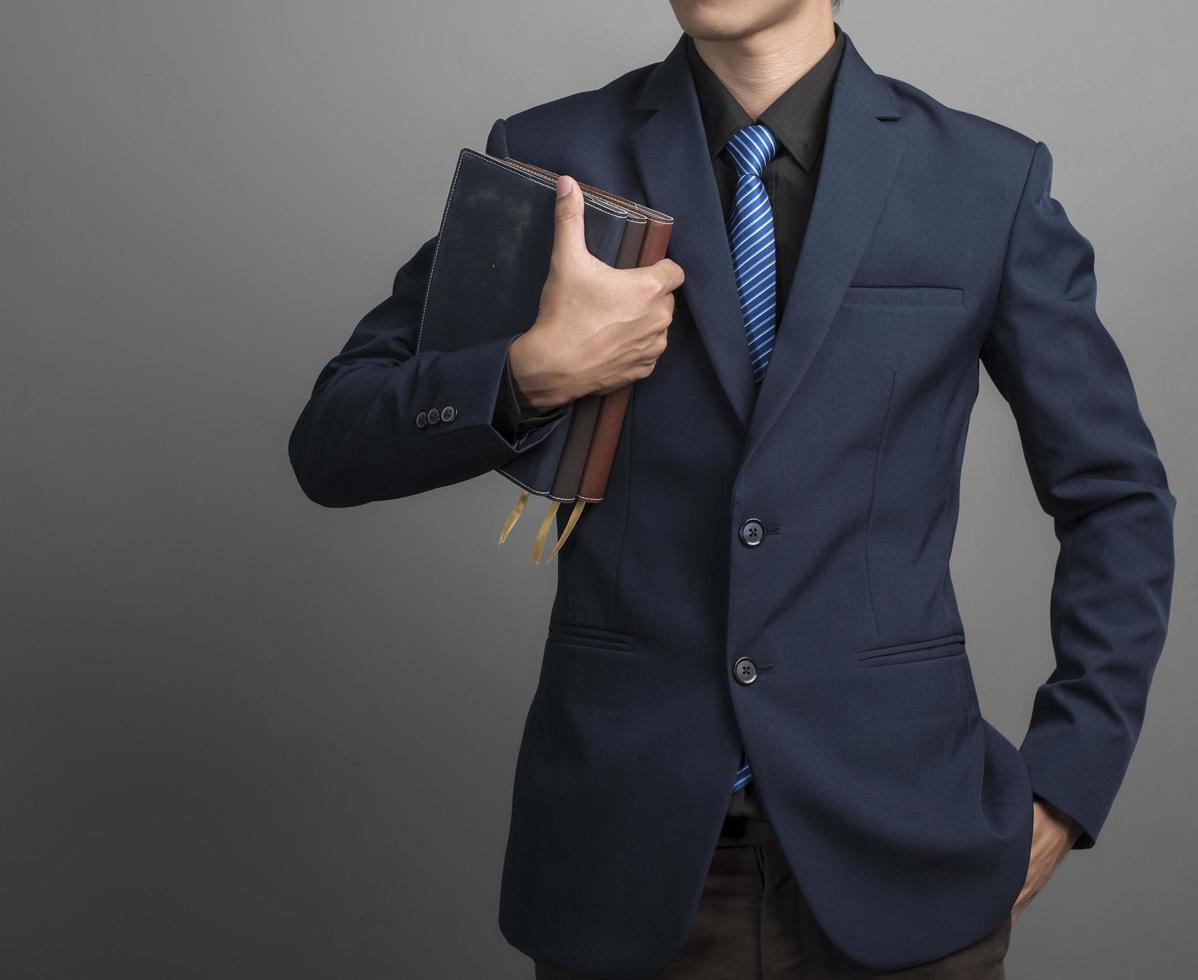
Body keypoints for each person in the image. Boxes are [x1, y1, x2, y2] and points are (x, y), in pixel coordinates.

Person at [287, 1, 1177, 976]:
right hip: (624, 855)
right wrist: (526, 373)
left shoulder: (984, 180)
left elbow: (1117, 494)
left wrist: (1067, 781)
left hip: (912, 848)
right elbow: (333, 441)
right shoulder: (553, 158)